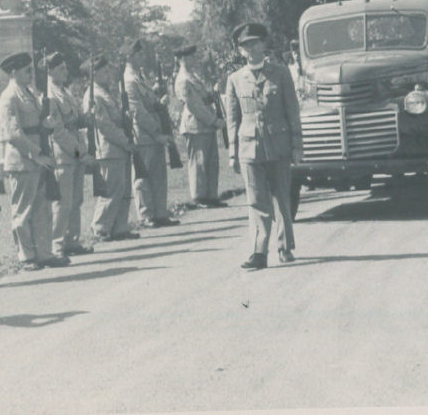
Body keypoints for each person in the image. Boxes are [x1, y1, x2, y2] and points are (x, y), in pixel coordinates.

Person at [226, 22, 302, 270]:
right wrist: (232, 152)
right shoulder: (235, 79)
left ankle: (284, 246)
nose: (251, 49)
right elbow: (232, 119)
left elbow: (292, 111)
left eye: (255, 43)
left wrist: (297, 145)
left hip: (279, 145)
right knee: (257, 201)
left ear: (264, 45)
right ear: (240, 51)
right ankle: (259, 252)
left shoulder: (280, 73)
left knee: (282, 198)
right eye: (245, 46)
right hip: (249, 148)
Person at [0, 51, 66, 271]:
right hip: (23, 161)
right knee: (23, 211)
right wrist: (37, 154)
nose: (31, 74)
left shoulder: (27, 93)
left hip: (38, 160)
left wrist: (46, 124)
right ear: (14, 72)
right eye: (27, 70)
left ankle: (44, 253)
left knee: (41, 209)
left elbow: (35, 125)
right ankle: (26, 256)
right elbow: (14, 134)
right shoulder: (9, 96)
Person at [83, 55, 139, 242]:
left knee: (123, 190)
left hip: (118, 148)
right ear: (95, 73)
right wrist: (126, 141)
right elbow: (105, 126)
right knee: (111, 191)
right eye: (105, 71)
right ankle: (100, 227)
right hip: (108, 148)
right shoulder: (94, 95)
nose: (108, 75)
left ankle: (119, 227)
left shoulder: (106, 92)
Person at [123, 40, 178, 228]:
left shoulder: (140, 77)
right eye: (139, 55)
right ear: (130, 57)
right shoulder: (129, 81)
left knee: (158, 175)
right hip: (144, 135)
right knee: (143, 177)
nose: (143, 58)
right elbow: (138, 112)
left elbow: (150, 104)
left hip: (153, 134)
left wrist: (159, 102)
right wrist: (157, 134)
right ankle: (146, 215)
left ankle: (160, 213)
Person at [44, 52, 92, 256]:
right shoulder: (50, 96)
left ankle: (72, 240)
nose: (65, 72)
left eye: (65, 68)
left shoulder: (65, 92)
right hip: (64, 154)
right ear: (50, 71)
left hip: (75, 151)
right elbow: (58, 132)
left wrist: (86, 117)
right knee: (62, 203)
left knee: (76, 199)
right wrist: (79, 152)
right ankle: (57, 244)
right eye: (61, 68)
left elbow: (75, 121)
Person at [173, 43, 227, 207]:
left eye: (193, 56)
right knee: (198, 162)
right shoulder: (183, 79)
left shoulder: (192, 75)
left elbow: (204, 98)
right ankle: (199, 197)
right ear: (181, 59)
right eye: (189, 57)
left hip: (204, 125)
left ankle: (211, 195)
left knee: (210, 161)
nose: (193, 59)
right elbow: (194, 106)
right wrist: (214, 121)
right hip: (195, 125)